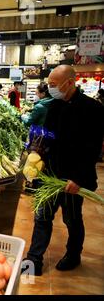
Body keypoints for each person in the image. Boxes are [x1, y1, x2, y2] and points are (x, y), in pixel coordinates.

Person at [22, 65, 104, 276]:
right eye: (49, 84)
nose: (51, 88)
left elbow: (92, 149)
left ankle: (73, 255)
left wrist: (77, 178)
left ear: (69, 82)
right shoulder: (55, 106)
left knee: (72, 218)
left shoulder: (92, 109)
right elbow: (47, 134)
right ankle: (34, 259)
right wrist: (36, 151)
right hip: (51, 174)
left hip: (73, 178)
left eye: (54, 84)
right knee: (42, 217)